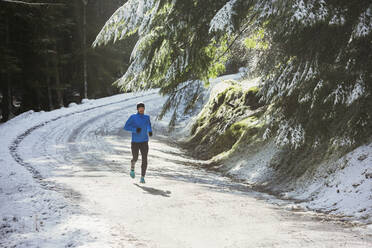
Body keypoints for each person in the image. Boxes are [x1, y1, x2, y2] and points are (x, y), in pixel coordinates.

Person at [123, 102, 152, 183]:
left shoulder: (147, 117)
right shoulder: (133, 117)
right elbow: (126, 127)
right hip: (135, 142)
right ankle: (132, 166)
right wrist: (135, 130)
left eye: (143, 107)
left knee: (145, 159)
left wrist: (150, 131)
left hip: (144, 141)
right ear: (137, 109)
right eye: (140, 108)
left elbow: (148, 125)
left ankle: (142, 177)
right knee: (135, 157)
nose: (142, 109)